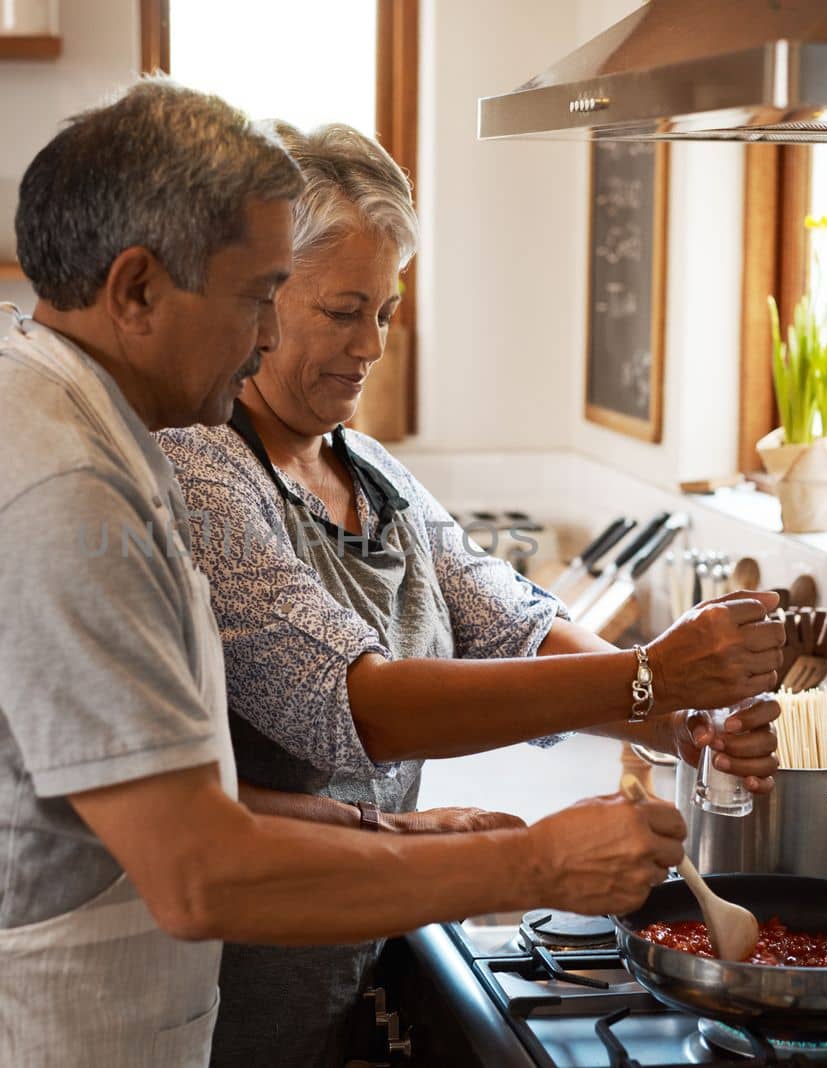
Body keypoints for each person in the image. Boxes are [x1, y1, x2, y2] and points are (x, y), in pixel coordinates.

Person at [0, 79, 753, 1068]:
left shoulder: (79, 438)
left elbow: (93, 800)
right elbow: (196, 871)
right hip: (4, 1036)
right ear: (137, 288)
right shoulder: (61, 494)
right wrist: (536, 859)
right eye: (256, 298)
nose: (270, 336)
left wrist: (381, 828)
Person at [156, 121, 785, 1068]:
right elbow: (353, 704)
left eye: (389, 309)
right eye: (344, 310)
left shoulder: (368, 470)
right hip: (226, 993)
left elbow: (508, 619)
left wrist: (675, 716)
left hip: (360, 948)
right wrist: (649, 678)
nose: (373, 345)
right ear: (263, 296)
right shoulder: (199, 468)